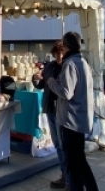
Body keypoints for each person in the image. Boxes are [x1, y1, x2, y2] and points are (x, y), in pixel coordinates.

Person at [47, 32, 98, 191]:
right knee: (80, 160)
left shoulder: (70, 64)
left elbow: (66, 92)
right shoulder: (82, 62)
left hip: (70, 120)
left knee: (73, 163)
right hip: (81, 118)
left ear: (66, 45)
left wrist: (51, 81)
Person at [33, 41, 69, 189]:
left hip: (63, 110)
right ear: (54, 54)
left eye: (62, 53)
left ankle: (68, 175)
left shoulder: (68, 67)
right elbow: (41, 85)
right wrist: (35, 79)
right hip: (50, 109)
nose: (59, 56)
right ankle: (64, 174)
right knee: (57, 143)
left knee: (63, 143)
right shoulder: (49, 67)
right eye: (57, 53)